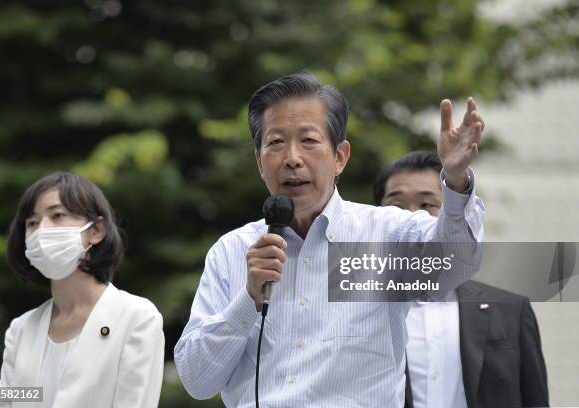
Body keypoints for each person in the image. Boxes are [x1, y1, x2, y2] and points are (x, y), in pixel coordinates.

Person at [174, 71, 485, 407]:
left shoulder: (385, 235)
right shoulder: (232, 251)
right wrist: (248, 297)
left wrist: (454, 180)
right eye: (276, 142)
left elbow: (455, 265)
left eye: (308, 141)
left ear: (340, 157)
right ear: (259, 162)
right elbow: (197, 380)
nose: (292, 158)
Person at [373, 150, 549, 408]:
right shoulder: (359, 310)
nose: (411, 217)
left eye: (427, 205)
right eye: (396, 206)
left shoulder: (510, 311)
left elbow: (534, 399)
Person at [0, 172, 165, 408]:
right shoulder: (21, 330)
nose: (42, 230)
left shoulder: (137, 317)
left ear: (96, 230)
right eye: (32, 223)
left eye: (57, 215)